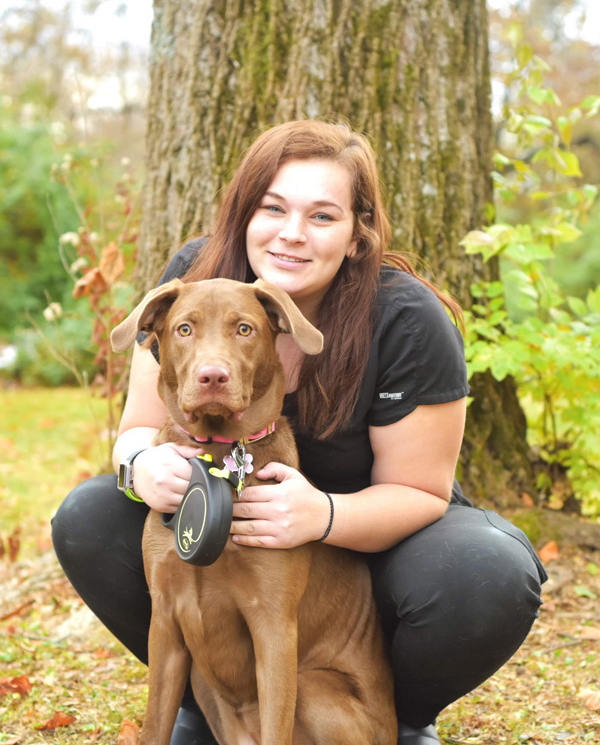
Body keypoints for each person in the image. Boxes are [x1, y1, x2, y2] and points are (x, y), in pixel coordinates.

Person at [52, 120, 547, 745]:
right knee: (89, 515)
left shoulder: (406, 318)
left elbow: (422, 491)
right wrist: (141, 465)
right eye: (274, 207)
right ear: (244, 212)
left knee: (483, 572)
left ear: (357, 234)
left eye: (322, 216)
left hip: (374, 543)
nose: (291, 233)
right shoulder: (196, 279)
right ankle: (213, 703)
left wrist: (323, 515)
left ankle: (395, 721)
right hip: (221, 507)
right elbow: (136, 431)